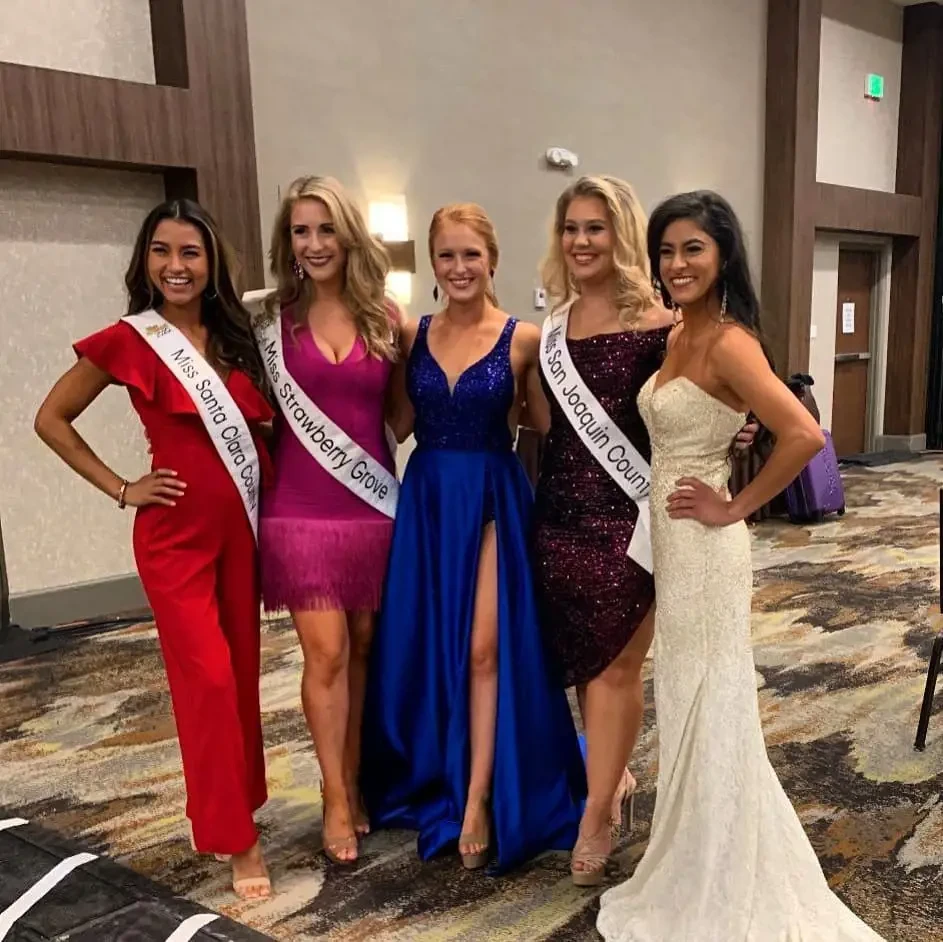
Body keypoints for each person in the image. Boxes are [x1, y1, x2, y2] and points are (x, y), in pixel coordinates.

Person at [596, 190, 885, 941]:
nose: (676, 263)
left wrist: (735, 505)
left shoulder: (727, 341)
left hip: (706, 545)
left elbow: (804, 433)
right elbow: (707, 420)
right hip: (673, 540)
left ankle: (722, 868)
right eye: (665, 250)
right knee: (685, 695)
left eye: (692, 248)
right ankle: (698, 852)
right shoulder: (678, 334)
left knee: (709, 698)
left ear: (723, 254)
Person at [34, 199, 273, 900]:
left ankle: (238, 804)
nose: (176, 266)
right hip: (175, 540)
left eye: (190, 252)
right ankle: (237, 840)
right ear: (145, 261)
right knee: (209, 681)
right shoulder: (130, 339)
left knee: (241, 677)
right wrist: (121, 487)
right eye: (162, 251)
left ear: (211, 261)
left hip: (241, 535)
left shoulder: (236, 338)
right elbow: (50, 419)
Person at [529, 175, 754, 885]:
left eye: (595, 228)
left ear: (620, 234)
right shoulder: (553, 328)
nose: (581, 241)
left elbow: (698, 402)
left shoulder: (664, 325)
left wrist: (736, 433)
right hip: (558, 514)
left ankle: (596, 815)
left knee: (616, 668)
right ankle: (613, 778)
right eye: (571, 228)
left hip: (630, 519)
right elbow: (544, 425)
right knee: (581, 661)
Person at [361, 203, 586, 874]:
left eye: (470, 254)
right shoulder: (412, 333)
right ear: (433, 264)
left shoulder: (524, 338)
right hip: (428, 499)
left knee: (486, 649)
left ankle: (479, 797)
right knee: (432, 646)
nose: (458, 267)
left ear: (492, 260)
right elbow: (394, 425)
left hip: (492, 498)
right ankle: (440, 770)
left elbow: (549, 426)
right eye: (446, 255)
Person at [251, 175, 399, 865]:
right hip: (300, 512)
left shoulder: (384, 317)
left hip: (371, 508)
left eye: (325, 229)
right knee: (328, 653)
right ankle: (334, 798)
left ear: (349, 236)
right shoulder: (269, 323)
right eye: (300, 232)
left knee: (363, 647)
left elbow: (399, 413)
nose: (313, 244)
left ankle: (351, 775)